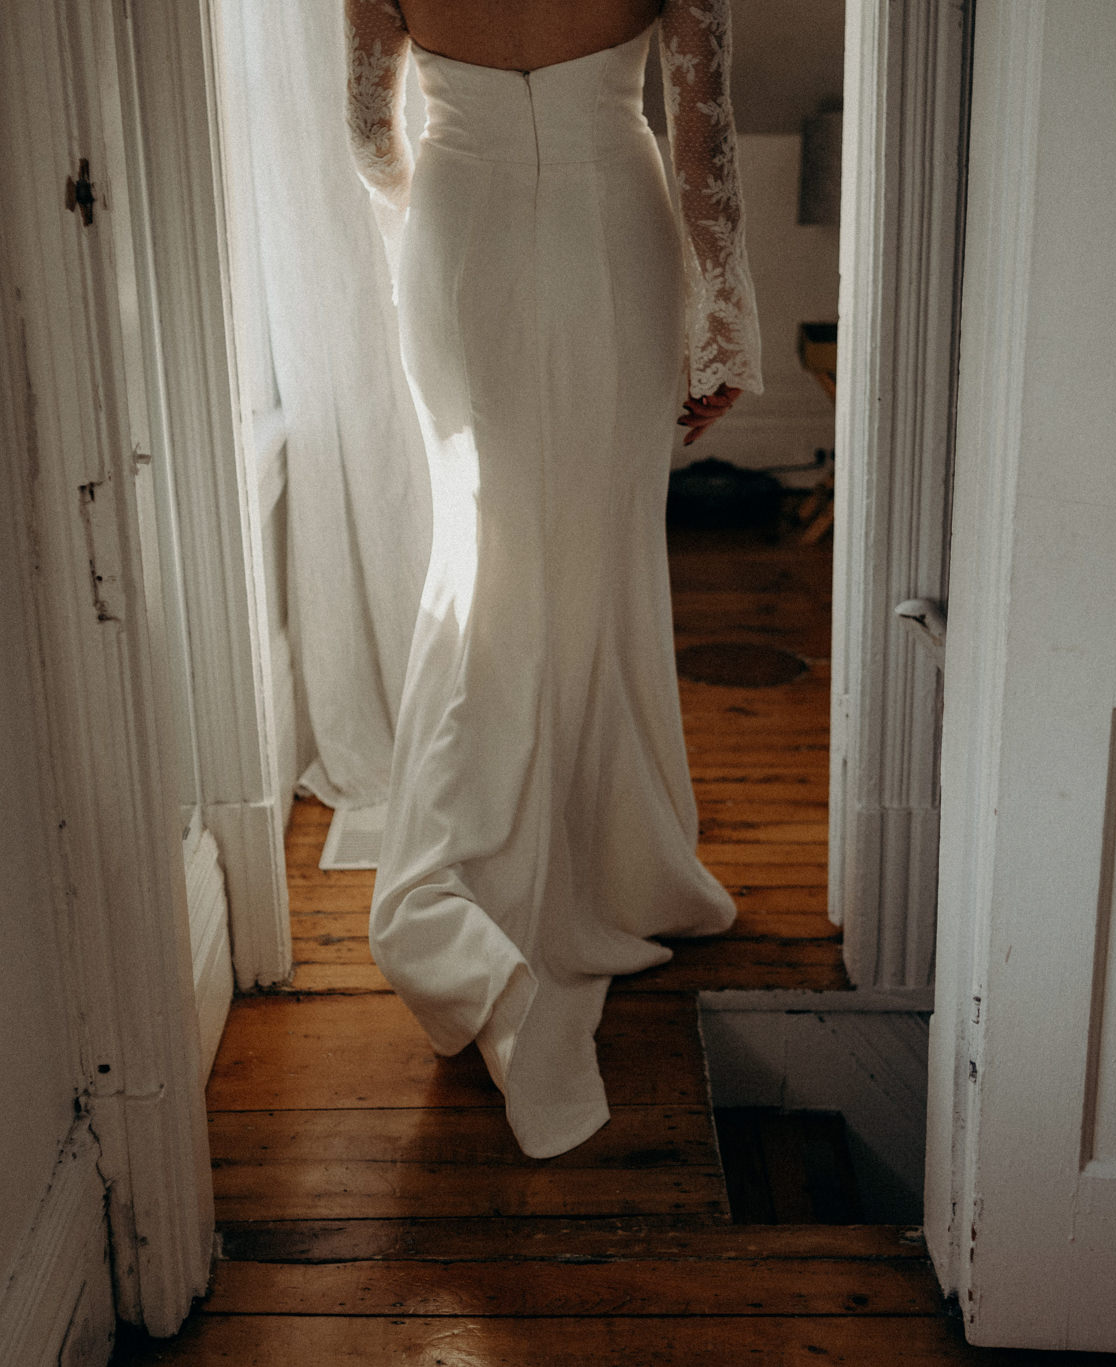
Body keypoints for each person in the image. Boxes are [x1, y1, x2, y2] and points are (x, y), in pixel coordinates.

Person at [346, 0, 763, 1158]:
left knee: (483, 546)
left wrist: (448, 194)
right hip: (614, 237)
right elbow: (702, 136)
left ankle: (484, 856)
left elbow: (370, 138)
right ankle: (618, 862)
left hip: (460, 237)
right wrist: (720, 324)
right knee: (606, 545)